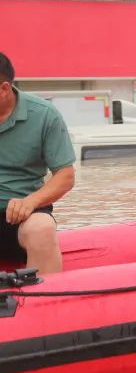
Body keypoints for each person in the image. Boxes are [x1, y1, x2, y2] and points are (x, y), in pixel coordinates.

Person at [0, 52, 76, 274]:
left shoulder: (44, 115)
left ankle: (46, 303)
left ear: (4, 89)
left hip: (24, 215)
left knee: (41, 228)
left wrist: (31, 202)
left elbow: (65, 176)